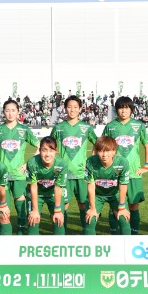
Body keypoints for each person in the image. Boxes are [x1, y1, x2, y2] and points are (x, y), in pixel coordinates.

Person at [0, 99, 39, 234]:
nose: (10, 113)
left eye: (13, 110)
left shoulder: (24, 130)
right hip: (1, 176)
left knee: (20, 207)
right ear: (3, 112)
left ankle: (21, 235)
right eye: (7, 110)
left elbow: (39, 147)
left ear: (18, 112)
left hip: (18, 175)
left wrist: (29, 163)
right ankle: (3, 236)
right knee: (3, 207)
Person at [102, 96, 148, 235]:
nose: (123, 111)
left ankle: (134, 232)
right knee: (115, 205)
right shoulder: (110, 126)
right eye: (120, 108)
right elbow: (102, 146)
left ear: (131, 110)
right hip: (114, 173)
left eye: (126, 108)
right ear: (117, 109)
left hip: (134, 172)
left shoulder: (139, 125)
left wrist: (147, 165)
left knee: (133, 205)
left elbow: (147, 145)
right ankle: (114, 232)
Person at [50, 95, 97, 232]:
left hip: (82, 173)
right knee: (63, 205)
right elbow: (50, 146)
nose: (72, 110)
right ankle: (61, 233)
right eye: (69, 107)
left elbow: (98, 143)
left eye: (75, 107)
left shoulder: (86, 127)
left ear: (80, 109)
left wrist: (90, 160)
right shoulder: (59, 128)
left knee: (84, 204)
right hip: (63, 173)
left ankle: (86, 230)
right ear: (65, 108)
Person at [83, 136, 131, 235]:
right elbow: (91, 185)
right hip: (97, 195)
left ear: (114, 151)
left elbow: (123, 185)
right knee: (90, 220)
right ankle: (90, 248)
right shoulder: (90, 161)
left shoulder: (122, 162)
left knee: (124, 219)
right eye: (100, 151)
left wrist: (121, 207)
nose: (104, 154)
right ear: (96, 151)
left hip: (115, 194)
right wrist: (92, 208)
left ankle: (127, 248)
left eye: (108, 151)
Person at [26, 136, 68, 235]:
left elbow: (58, 187)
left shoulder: (62, 164)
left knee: (58, 220)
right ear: (39, 150)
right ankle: (33, 246)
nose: (48, 154)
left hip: (54, 194)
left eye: (51, 150)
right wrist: (35, 210)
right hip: (37, 193)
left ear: (56, 151)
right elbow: (33, 186)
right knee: (33, 219)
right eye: (44, 150)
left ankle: (59, 246)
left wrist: (57, 210)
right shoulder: (32, 163)